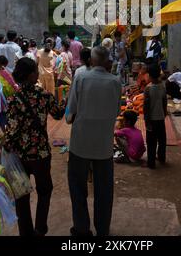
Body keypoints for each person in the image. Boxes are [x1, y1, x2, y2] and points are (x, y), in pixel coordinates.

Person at [2, 58, 63, 236]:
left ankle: (26, 232)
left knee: (21, 195)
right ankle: (40, 229)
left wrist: (5, 147)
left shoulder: (13, 99)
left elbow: (12, 130)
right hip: (41, 153)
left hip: (20, 155)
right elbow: (58, 115)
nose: (38, 73)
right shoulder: (44, 95)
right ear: (30, 75)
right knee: (45, 191)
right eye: (36, 70)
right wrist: (65, 102)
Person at [66, 46, 121, 236]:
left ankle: (81, 228)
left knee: (77, 187)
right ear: (107, 62)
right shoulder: (115, 82)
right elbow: (116, 112)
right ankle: (102, 229)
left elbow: (71, 108)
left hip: (80, 142)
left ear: (92, 60)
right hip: (104, 145)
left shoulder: (81, 77)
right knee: (104, 191)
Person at [144, 64, 167, 169]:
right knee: (162, 140)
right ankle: (162, 157)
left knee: (151, 142)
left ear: (149, 75)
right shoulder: (162, 86)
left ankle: (151, 162)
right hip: (160, 117)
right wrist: (164, 113)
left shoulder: (148, 89)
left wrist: (146, 121)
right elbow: (164, 101)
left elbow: (146, 107)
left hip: (151, 119)